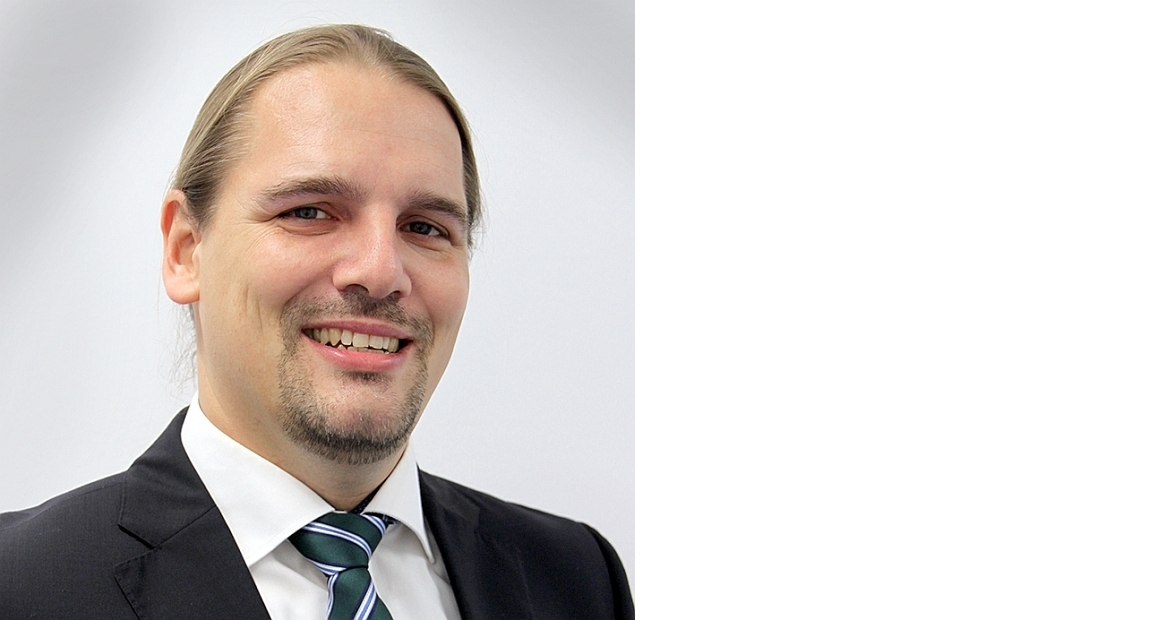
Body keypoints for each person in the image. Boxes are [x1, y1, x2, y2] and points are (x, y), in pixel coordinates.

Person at [0, 24, 632, 620]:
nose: (380, 270)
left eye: (424, 227)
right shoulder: (21, 585)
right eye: (309, 212)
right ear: (186, 250)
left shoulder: (575, 580)